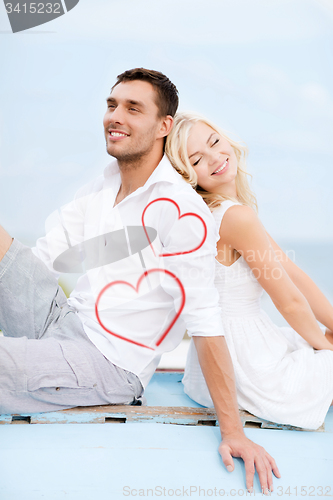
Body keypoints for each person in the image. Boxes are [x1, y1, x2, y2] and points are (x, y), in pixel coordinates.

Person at [0, 69, 279, 494]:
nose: (117, 116)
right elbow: (43, 260)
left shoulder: (181, 212)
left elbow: (205, 323)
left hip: (109, 363)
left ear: (163, 126)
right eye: (112, 105)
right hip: (64, 321)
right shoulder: (102, 186)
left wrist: (233, 432)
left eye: (134, 108)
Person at [165, 111, 333, 432]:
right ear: (187, 175)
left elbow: (289, 269)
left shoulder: (217, 212)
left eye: (215, 142)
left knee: (323, 336)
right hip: (246, 364)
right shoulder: (236, 218)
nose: (215, 157)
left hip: (214, 363)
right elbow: (290, 302)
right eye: (198, 159)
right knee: (322, 346)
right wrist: (326, 347)